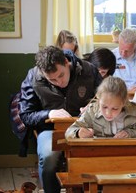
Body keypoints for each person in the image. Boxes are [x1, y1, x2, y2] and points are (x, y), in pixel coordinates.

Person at [18, 46, 102, 193]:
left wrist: (92, 109)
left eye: (61, 75)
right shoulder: (33, 76)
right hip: (51, 130)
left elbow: (105, 99)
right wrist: (48, 114)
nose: (59, 82)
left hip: (86, 127)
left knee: (102, 151)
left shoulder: (89, 70)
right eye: (52, 80)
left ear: (66, 62)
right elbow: (25, 115)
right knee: (48, 157)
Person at [65, 76, 136, 139]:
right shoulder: (92, 111)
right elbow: (69, 131)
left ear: (124, 102)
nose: (108, 113)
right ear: (98, 98)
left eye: (115, 108)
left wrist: (130, 133)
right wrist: (78, 132)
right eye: (104, 107)